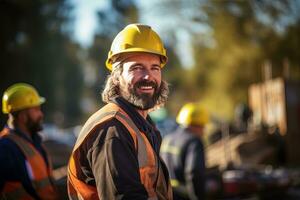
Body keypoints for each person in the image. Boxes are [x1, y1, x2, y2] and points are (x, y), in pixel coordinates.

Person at [67, 24, 173, 200]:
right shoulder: (112, 130)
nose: (148, 76)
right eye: (137, 68)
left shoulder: (142, 125)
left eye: (155, 68)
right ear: (116, 77)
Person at [0, 83, 59, 199]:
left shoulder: (34, 143)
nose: (41, 114)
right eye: (36, 110)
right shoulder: (5, 148)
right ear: (22, 116)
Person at [160, 103, 209, 200]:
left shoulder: (167, 138)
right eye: (203, 127)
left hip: (165, 195)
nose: (203, 132)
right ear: (198, 125)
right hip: (183, 196)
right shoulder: (194, 141)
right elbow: (194, 172)